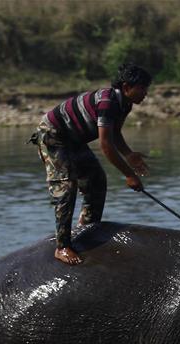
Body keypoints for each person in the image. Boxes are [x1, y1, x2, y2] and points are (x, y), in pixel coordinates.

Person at [32, 63, 152, 264]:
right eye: (141, 88)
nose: (145, 93)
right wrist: (129, 174)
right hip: (55, 135)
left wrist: (129, 154)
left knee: (96, 180)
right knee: (66, 187)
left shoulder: (125, 104)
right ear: (126, 87)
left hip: (74, 139)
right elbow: (105, 144)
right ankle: (62, 247)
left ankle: (86, 229)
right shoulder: (108, 102)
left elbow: (114, 134)